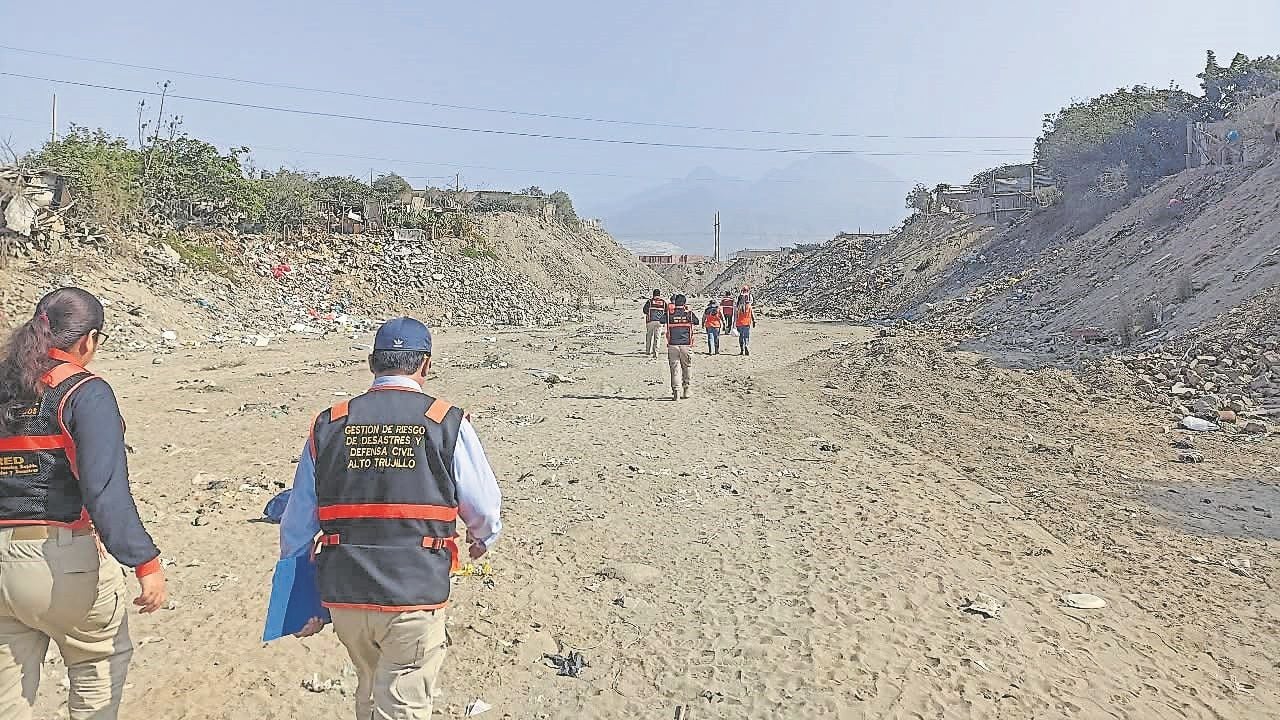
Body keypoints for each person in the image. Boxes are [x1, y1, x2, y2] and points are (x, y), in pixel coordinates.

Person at [283, 316, 502, 720]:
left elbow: (297, 523)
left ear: (372, 363)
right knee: (404, 702)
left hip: (344, 592)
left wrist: (297, 600)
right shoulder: (445, 420)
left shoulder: (330, 422)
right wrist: (482, 538)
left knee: (368, 688)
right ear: (426, 364)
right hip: (413, 592)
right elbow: (484, 507)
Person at [0, 287, 167, 720]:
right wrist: (144, 563)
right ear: (88, 340)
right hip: (62, 559)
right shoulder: (85, 393)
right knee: (96, 669)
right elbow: (105, 489)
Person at [664, 294, 699, 400]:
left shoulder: (670, 314)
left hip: (672, 345)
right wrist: (688, 311)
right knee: (687, 367)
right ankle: (686, 390)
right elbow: (696, 321)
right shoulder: (689, 314)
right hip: (686, 345)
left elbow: (661, 320)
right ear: (684, 303)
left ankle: (676, 392)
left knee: (674, 369)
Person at [641, 289, 668, 360]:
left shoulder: (649, 301)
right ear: (659, 295)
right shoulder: (664, 302)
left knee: (649, 336)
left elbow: (644, 310)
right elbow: (666, 313)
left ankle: (648, 351)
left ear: (653, 294)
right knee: (657, 338)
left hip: (650, 321)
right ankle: (655, 353)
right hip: (659, 322)